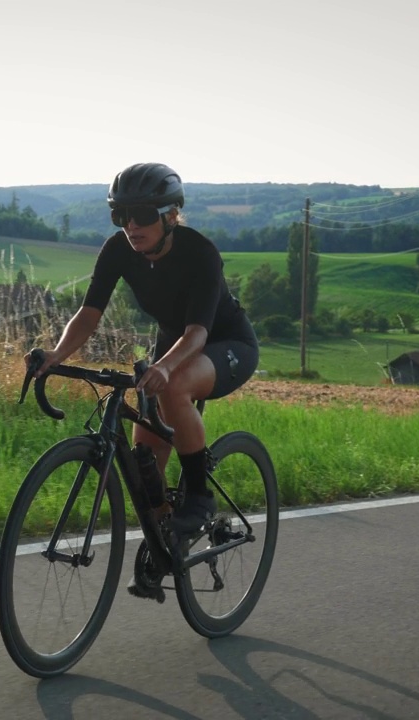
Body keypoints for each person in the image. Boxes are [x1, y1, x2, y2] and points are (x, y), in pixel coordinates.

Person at [27, 162, 259, 537]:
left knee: (174, 385)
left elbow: (198, 332)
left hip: (225, 343)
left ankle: (199, 498)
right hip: (173, 346)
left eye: (141, 215)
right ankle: (166, 539)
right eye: (120, 215)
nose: (130, 225)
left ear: (171, 216)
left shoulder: (200, 252)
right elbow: (88, 315)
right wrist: (55, 356)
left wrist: (165, 368)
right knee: (145, 461)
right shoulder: (119, 249)